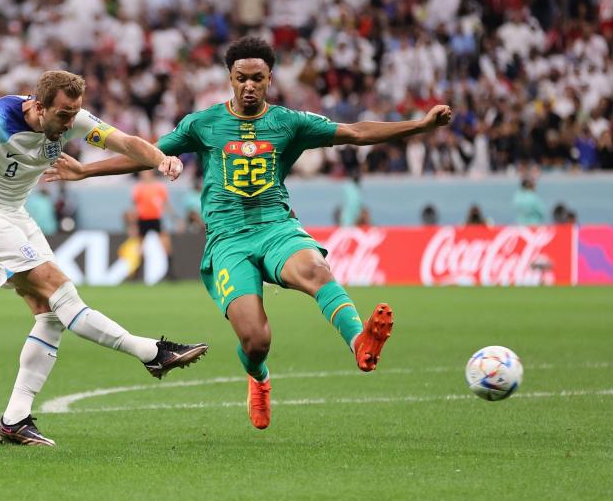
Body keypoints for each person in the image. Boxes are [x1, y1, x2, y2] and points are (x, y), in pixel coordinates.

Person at [45, 37, 454, 430]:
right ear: (230, 78)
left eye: (257, 78)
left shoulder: (288, 122)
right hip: (228, 241)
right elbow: (146, 154)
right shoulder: (204, 124)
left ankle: (358, 342)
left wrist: (420, 125)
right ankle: (258, 378)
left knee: (316, 270)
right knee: (256, 341)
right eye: (241, 77)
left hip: (276, 227)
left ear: (270, 79)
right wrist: (85, 170)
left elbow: (357, 132)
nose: (249, 85)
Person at [0, 70, 208, 446]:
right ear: (38, 106)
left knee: (50, 315)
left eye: (74, 113)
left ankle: (15, 420)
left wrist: (161, 160)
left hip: (15, 215)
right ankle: (151, 352)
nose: (70, 122)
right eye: (63, 114)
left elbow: (123, 141)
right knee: (61, 291)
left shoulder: (71, 120)